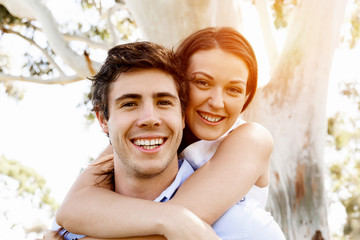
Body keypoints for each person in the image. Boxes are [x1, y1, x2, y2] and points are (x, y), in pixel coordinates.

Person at [50, 27, 285, 239]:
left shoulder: (251, 139)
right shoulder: (143, 132)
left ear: (246, 97)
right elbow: (72, 207)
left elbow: (177, 224)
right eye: (202, 82)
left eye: (233, 89)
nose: (217, 102)